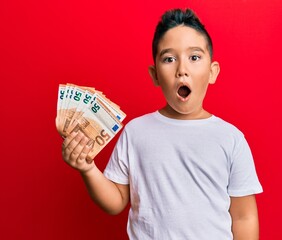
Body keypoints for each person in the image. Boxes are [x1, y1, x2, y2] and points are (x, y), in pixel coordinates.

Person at [62, 8, 263, 239]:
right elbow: (116, 201)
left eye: (194, 57)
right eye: (169, 59)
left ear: (212, 71)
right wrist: (87, 168)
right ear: (155, 75)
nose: (182, 70)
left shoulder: (231, 138)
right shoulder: (136, 133)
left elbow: (244, 216)